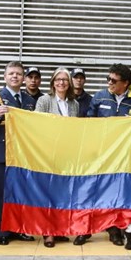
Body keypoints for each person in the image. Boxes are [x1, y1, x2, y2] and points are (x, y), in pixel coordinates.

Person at [84, 63, 131, 245]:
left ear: (126, 83)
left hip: (124, 159)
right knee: (96, 192)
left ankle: (116, 230)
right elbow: (89, 124)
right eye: (108, 79)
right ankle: (88, 229)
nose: (109, 83)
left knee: (119, 194)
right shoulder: (99, 96)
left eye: (114, 80)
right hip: (101, 156)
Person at [0, 62, 37, 245]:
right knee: (3, 195)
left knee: (21, 194)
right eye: (11, 73)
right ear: (4, 77)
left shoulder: (29, 100)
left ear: (23, 78)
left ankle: (19, 229)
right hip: (3, 154)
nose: (15, 76)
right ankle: (2, 231)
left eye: (19, 74)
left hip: (23, 155)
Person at [34, 68, 81, 247]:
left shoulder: (74, 104)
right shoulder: (44, 100)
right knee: (48, 193)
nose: (61, 83)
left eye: (65, 80)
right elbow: (37, 124)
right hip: (48, 154)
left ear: (69, 83)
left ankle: (59, 229)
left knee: (63, 194)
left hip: (67, 155)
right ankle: (48, 232)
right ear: (53, 82)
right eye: (58, 79)